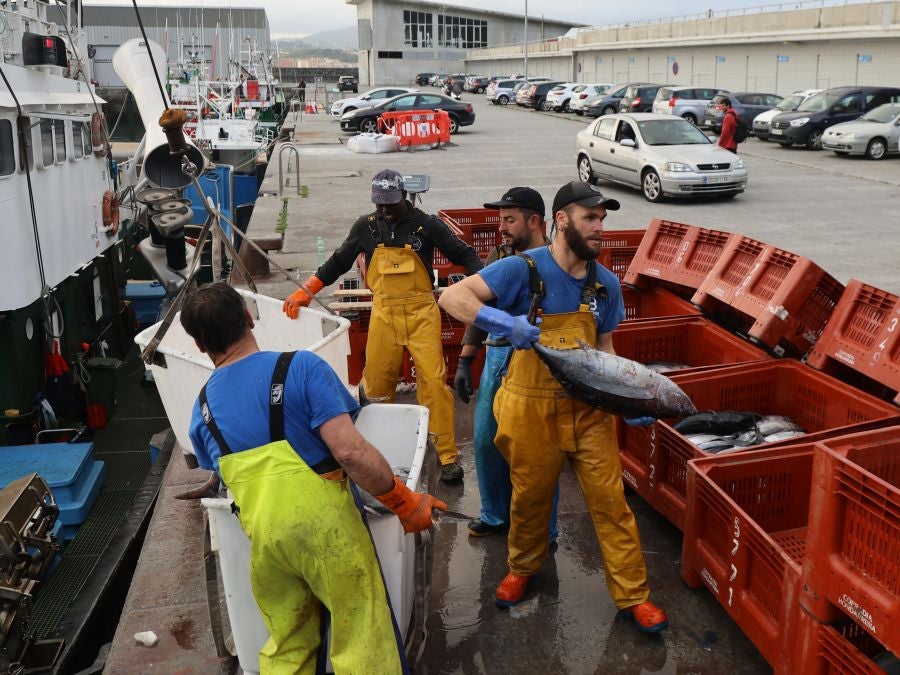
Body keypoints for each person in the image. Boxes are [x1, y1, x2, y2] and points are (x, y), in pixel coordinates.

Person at [438, 181, 669, 633]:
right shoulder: (522, 269)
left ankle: (634, 596)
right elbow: (453, 297)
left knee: (612, 504)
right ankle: (523, 568)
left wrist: (625, 396)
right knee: (530, 499)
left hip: (588, 413)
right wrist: (500, 320)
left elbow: (605, 350)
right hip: (529, 407)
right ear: (562, 220)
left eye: (603, 219)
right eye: (591, 218)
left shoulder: (604, 284)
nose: (600, 228)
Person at [183, 282, 446, 673]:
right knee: (361, 634)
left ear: (200, 346)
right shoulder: (300, 368)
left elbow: (221, 471)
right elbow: (350, 452)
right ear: (248, 318)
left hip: (266, 544)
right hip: (326, 534)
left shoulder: (201, 409)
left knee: (289, 643)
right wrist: (403, 501)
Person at [283, 169, 483, 483]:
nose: (386, 210)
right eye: (380, 204)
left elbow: (465, 254)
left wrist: (482, 285)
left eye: (391, 203)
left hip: (421, 313)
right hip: (384, 314)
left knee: (433, 383)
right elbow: (339, 260)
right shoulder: (366, 227)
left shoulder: (427, 225)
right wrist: (308, 289)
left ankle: (446, 455)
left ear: (404, 195)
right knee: (375, 386)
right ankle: (382, 453)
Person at [453, 187, 560, 540]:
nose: (501, 227)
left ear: (534, 221)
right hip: (497, 355)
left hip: (538, 361)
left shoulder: (557, 259)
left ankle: (544, 529)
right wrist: (465, 362)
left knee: (538, 449)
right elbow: (474, 310)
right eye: (500, 220)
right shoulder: (500, 255)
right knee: (485, 439)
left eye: (509, 220)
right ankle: (495, 514)